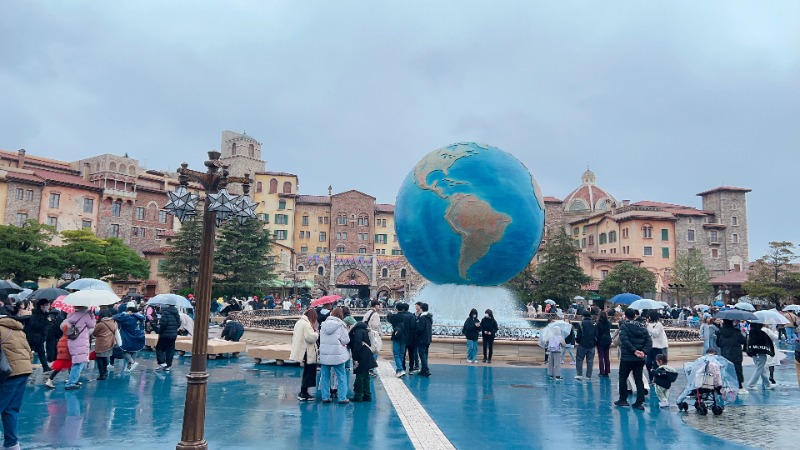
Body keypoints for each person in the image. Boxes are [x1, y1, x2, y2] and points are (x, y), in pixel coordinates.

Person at [1, 310, 34, 450]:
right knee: (11, 409)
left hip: (7, 373)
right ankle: (12, 444)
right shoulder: (18, 329)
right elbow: (29, 353)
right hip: (23, 371)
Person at [615, 308, 652, 410]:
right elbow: (649, 341)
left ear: (625, 316)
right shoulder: (642, 327)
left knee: (623, 377)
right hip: (640, 358)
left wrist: (634, 351)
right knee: (638, 379)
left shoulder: (624, 326)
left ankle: (623, 399)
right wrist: (643, 351)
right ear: (635, 316)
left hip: (627, 357)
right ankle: (639, 401)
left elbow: (624, 340)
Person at [319, 308, 350, 404]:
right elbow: (346, 340)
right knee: (341, 376)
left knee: (325, 376)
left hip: (325, 354)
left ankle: (325, 397)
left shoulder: (323, 325)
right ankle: (342, 398)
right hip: (337, 355)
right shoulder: (341, 325)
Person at [290, 308, 319, 401]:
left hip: (301, 349)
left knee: (307, 371)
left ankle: (303, 392)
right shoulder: (306, 324)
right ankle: (304, 392)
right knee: (309, 371)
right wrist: (316, 333)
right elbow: (310, 338)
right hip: (307, 351)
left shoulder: (299, 322)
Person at [63, 306, 95, 390]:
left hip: (72, 341)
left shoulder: (70, 315)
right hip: (81, 342)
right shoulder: (85, 316)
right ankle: (71, 383)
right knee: (79, 363)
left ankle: (73, 380)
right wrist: (92, 315)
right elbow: (92, 325)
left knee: (77, 362)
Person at [349, 318, 378, 401]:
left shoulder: (357, 331)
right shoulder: (365, 331)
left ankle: (358, 396)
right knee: (366, 376)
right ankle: (367, 395)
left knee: (360, 376)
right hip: (367, 355)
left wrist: (355, 358)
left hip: (361, 357)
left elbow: (357, 345)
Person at [716, 319, 748, 394]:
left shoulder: (720, 333)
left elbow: (718, 344)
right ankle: (740, 387)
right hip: (735, 354)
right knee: (737, 370)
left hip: (725, 354)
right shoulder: (736, 332)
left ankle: (726, 387)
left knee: (726, 371)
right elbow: (743, 341)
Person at [114, 302, 146, 372]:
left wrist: (124, 313)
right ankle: (129, 367)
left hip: (127, 336)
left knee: (124, 350)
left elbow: (115, 317)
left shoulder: (127, 317)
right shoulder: (140, 316)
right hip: (138, 335)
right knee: (133, 351)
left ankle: (132, 362)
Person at [23, 298, 52, 373]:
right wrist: (47, 322)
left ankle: (45, 367)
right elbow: (35, 325)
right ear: (41, 306)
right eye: (46, 305)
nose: (48, 306)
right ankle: (26, 367)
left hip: (40, 338)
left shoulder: (45, 315)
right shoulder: (36, 315)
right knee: (29, 353)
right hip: (34, 338)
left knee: (41, 353)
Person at [745, 322, 775, 391]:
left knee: (761, 369)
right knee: (759, 368)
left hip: (753, 353)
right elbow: (769, 342)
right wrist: (771, 352)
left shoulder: (750, 333)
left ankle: (767, 384)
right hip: (761, 353)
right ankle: (751, 385)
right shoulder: (762, 333)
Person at [92, 309, 119, 381]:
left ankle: (102, 374)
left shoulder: (101, 324)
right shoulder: (114, 322)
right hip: (110, 343)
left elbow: (94, 333)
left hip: (101, 343)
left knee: (99, 358)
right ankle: (105, 371)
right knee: (105, 357)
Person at [156, 302, 180, 372]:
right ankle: (168, 365)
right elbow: (179, 323)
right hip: (173, 335)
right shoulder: (176, 313)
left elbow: (163, 324)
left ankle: (162, 362)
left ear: (168, 305)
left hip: (164, 334)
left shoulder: (165, 313)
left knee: (159, 348)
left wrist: (159, 330)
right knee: (170, 350)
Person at [387, 303, 409, 377]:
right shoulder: (407, 317)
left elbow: (389, 319)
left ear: (396, 308)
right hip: (404, 337)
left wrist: (389, 314)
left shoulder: (394, 316)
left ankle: (400, 369)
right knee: (401, 354)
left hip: (396, 336)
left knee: (396, 354)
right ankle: (400, 369)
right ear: (403, 309)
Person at [646, 311, 669, 382]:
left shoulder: (659, 325)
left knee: (656, 364)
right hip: (650, 347)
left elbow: (655, 334)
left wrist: (648, 326)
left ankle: (655, 378)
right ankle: (651, 377)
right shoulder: (649, 325)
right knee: (648, 363)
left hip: (658, 347)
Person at [575, 311, 597, 381]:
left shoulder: (581, 323)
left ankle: (579, 374)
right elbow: (596, 335)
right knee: (590, 361)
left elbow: (578, 335)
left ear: (583, 316)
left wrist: (578, 341)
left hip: (582, 344)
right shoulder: (594, 324)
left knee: (579, 359)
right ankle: (588, 376)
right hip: (591, 345)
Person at [363, 300, 382, 377]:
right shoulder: (376, 314)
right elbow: (375, 325)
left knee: (369, 351)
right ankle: (371, 368)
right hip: (373, 334)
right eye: (379, 305)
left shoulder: (367, 313)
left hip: (367, 333)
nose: (380, 307)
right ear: (376, 306)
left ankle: (367, 367)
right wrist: (379, 333)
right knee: (375, 351)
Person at [415, 302, 433, 377]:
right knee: (425, 354)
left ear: (421, 308)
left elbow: (420, 329)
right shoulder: (429, 317)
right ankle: (423, 370)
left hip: (422, 339)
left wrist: (415, 331)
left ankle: (426, 370)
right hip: (428, 338)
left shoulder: (422, 317)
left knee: (422, 354)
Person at [596, 311, 612, 377]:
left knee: (601, 357)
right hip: (607, 340)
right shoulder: (608, 323)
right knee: (607, 357)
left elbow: (597, 333)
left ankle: (601, 371)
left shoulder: (598, 323)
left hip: (600, 341)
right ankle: (607, 371)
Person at [406, 303, 420, 374]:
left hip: (415, 337)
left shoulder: (421, 316)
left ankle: (416, 365)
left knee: (414, 352)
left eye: (417, 306)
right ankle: (414, 366)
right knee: (413, 352)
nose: (416, 307)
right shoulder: (413, 315)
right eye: (415, 306)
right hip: (413, 337)